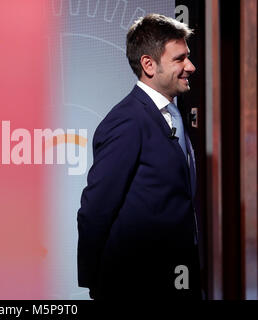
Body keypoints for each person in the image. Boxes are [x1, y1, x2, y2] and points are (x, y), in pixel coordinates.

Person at [77, 14, 202, 299]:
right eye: (180, 59)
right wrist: (97, 283)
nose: (191, 67)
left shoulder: (176, 112)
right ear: (148, 64)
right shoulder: (126, 121)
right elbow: (95, 209)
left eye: (189, 57)